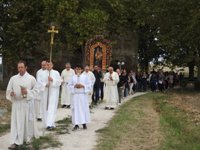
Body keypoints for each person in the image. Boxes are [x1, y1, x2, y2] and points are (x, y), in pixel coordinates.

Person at [6, 60, 40, 149]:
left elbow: (37, 91)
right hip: (16, 104)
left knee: (26, 123)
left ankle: (26, 139)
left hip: (26, 104)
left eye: (21, 67)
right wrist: (11, 93)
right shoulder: (13, 78)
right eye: (18, 67)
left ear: (26, 67)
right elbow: (8, 90)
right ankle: (14, 141)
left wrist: (27, 92)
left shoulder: (31, 78)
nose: (20, 69)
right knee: (16, 123)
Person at [68, 65, 92, 130]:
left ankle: (84, 123)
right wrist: (74, 86)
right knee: (75, 110)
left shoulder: (85, 77)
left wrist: (83, 86)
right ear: (75, 70)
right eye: (76, 69)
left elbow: (90, 84)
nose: (78, 70)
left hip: (82, 96)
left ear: (81, 70)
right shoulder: (72, 77)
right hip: (75, 96)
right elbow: (69, 85)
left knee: (83, 109)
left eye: (79, 69)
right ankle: (76, 124)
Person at [43, 61, 61, 130]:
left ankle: (50, 123)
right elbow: (39, 82)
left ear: (52, 65)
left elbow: (59, 82)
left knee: (52, 108)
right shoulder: (43, 73)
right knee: (46, 108)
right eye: (47, 65)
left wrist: (52, 80)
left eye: (50, 65)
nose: (48, 66)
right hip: (45, 93)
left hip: (53, 93)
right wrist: (45, 84)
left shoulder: (56, 73)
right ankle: (46, 123)